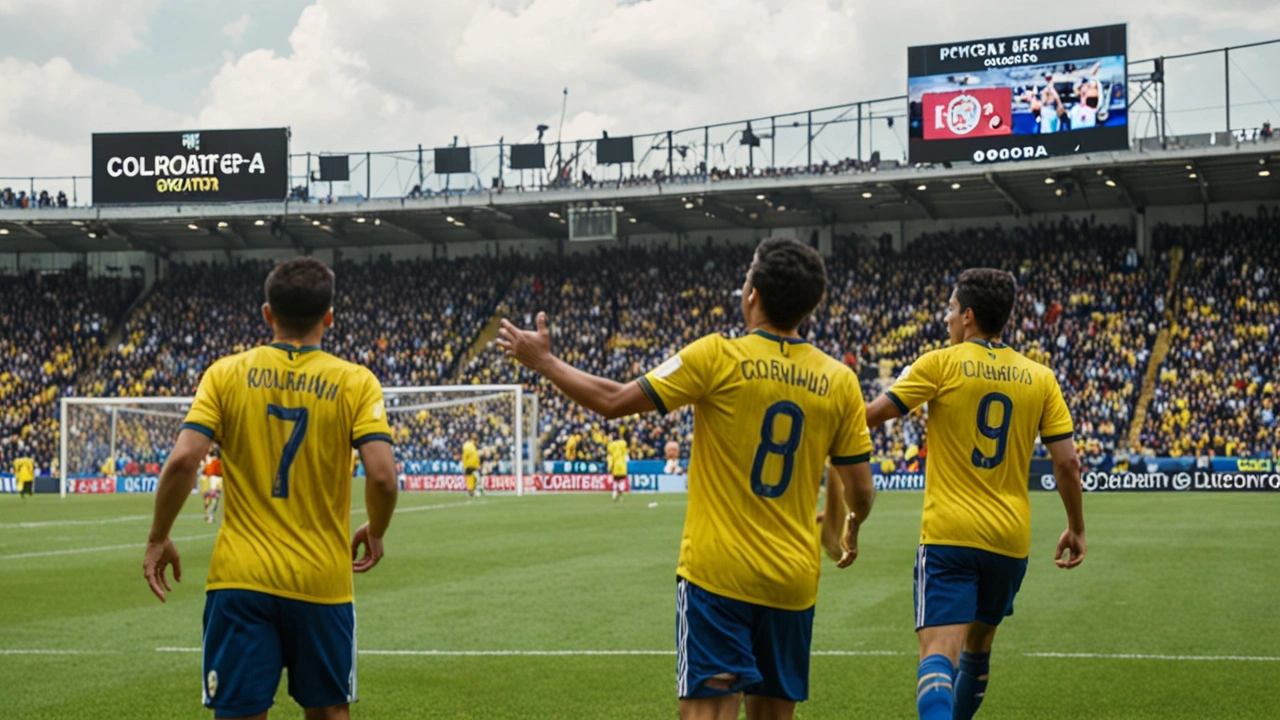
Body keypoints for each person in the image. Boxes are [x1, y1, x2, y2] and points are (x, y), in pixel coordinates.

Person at [497, 238, 876, 720]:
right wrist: (849, 526)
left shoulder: (716, 357)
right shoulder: (840, 380)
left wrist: (544, 361)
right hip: (792, 581)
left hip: (718, 576)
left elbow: (614, 400)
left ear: (752, 294)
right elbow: (860, 489)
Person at [142, 257, 400, 720]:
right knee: (328, 713)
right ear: (329, 317)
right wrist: (376, 529)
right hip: (321, 578)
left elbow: (183, 459)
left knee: (239, 713)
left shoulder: (224, 373)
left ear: (267, 314)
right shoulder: (356, 381)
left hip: (240, 578)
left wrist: (158, 536)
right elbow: (382, 476)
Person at [862, 268, 1086, 720]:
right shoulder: (1040, 377)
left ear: (967, 316)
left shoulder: (940, 363)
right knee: (978, 649)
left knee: (938, 656)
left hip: (948, 535)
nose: (945, 318)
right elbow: (1068, 463)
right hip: (1008, 538)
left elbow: (870, 416)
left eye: (949, 309)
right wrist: (1076, 527)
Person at [200, 451, 223, 524]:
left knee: (210, 499)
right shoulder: (215, 462)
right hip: (212, 481)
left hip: (211, 481)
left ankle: (209, 515)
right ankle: (209, 515)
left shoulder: (212, 462)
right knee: (213, 499)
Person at [607, 433, 630, 501]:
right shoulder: (623, 444)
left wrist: (609, 467)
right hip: (623, 465)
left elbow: (610, 457)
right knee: (621, 480)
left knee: (615, 480)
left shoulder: (611, 446)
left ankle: (614, 493)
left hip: (616, 465)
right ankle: (621, 494)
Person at [462, 435, 483, 499]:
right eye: (477, 441)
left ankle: (471, 491)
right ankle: (474, 491)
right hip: (470, 466)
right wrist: (464, 466)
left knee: (471, 479)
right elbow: (466, 457)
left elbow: (475, 457)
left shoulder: (471, 446)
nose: (477, 443)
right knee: (474, 478)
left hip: (471, 466)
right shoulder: (470, 447)